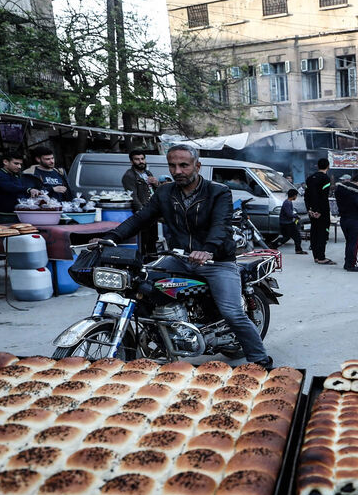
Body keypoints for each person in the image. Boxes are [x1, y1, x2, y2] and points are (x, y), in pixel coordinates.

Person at [103, 144, 272, 367]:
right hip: (180, 258)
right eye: (172, 166)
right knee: (142, 285)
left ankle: (261, 360)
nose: (177, 171)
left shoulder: (218, 192)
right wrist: (111, 237)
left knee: (232, 313)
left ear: (197, 166)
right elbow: (140, 219)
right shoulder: (164, 192)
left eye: (184, 165)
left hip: (217, 261)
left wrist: (208, 249)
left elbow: (220, 225)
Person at [333, 173, 358, 272]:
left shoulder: (340, 190)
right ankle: (352, 264)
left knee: (349, 242)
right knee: (355, 243)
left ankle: (348, 263)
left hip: (344, 219)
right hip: (356, 220)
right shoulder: (356, 193)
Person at [0, 152, 44, 221]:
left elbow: (21, 190)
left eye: (20, 164)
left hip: (19, 214)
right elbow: (11, 187)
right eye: (16, 163)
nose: (19, 166)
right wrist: (28, 190)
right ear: (5, 162)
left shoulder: (16, 175)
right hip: (5, 215)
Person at [303, 158, 334, 264]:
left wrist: (310, 210)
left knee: (314, 232)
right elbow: (323, 197)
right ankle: (321, 258)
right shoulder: (325, 178)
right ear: (328, 166)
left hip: (312, 211)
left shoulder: (310, 178)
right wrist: (319, 211)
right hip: (322, 211)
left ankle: (316, 256)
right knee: (322, 233)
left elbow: (307, 196)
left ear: (317, 166)